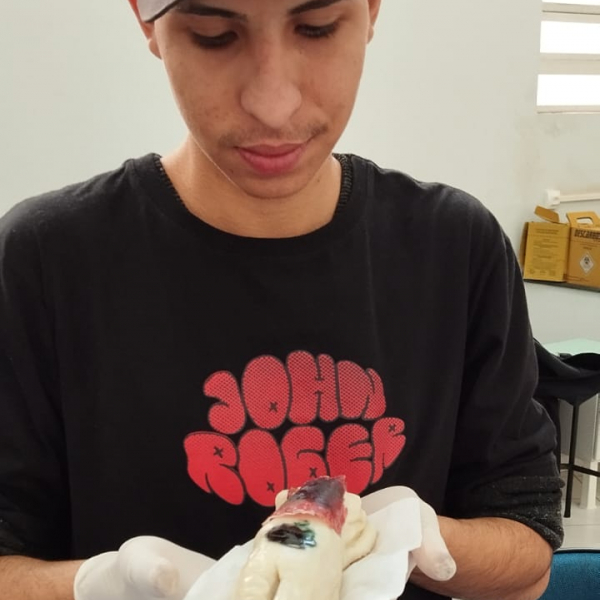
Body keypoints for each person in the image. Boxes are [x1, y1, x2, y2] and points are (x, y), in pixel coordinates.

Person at [0, 1, 564, 599]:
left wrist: (410, 539)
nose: (273, 105)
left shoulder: (455, 247)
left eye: (317, 28)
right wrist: (95, 586)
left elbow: (529, 555)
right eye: (214, 35)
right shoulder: (46, 260)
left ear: (371, 8)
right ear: (147, 18)